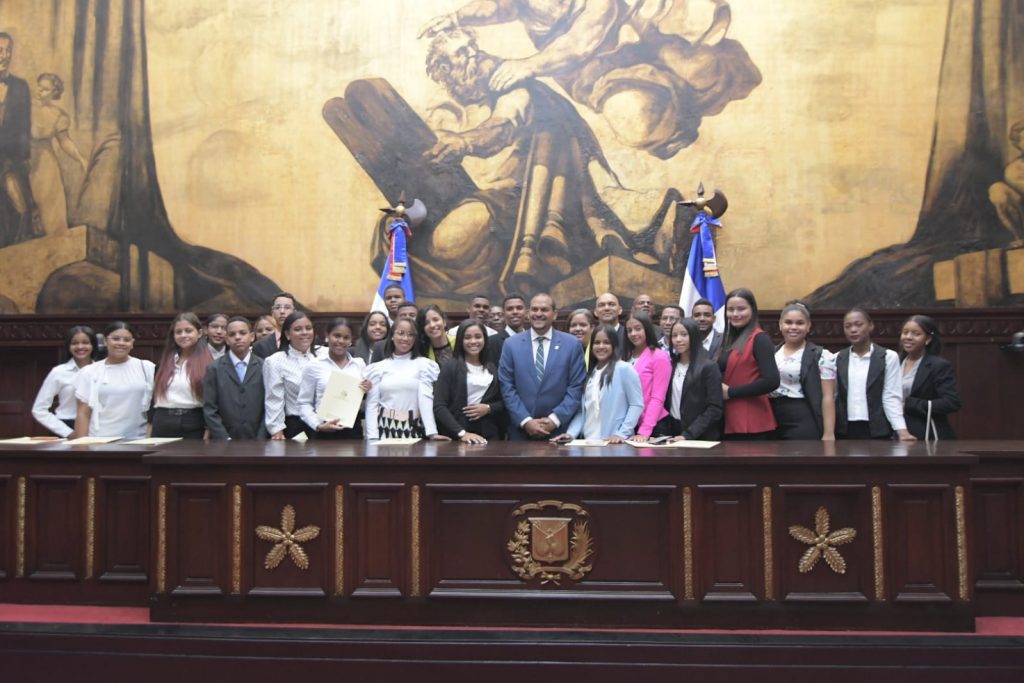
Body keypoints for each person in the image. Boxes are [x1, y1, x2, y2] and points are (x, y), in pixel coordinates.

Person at [499, 293, 586, 440]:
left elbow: (576, 386)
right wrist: (525, 421)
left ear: (555, 314)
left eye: (544, 310)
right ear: (528, 313)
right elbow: (506, 386)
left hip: (559, 433)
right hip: (521, 433)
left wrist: (554, 420)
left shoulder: (572, 344)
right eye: (534, 309)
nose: (538, 314)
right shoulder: (510, 344)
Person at [553, 325, 644, 444]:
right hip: (588, 443)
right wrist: (571, 434)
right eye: (596, 342)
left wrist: (621, 433)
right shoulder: (590, 374)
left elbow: (636, 405)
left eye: (606, 342)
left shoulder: (624, 369)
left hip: (614, 444)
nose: (601, 346)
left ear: (614, 345)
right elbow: (582, 412)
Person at [835, 308, 914, 441]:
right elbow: (833, 396)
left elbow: (891, 396)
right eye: (847, 326)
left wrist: (902, 430)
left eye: (858, 324)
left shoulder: (888, 357)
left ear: (870, 325)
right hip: (844, 429)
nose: (853, 330)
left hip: (877, 429)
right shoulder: (837, 358)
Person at [363, 318, 448, 441]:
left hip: (413, 426)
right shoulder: (378, 368)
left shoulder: (424, 365)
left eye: (410, 335)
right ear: (392, 336)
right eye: (401, 333)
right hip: (384, 427)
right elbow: (372, 404)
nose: (405, 338)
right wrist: (372, 437)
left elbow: (425, 399)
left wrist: (432, 432)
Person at [72, 321, 154, 438]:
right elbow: (83, 413)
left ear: (132, 343)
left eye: (126, 340)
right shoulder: (90, 371)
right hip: (100, 440)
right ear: (105, 341)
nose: (121, 343)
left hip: (138, 439)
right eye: (115, 339)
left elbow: (156, 409)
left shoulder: (146, 368)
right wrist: (81, 448)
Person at [30, 73, 88, 235]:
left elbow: (64, 141)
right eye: (39, 86)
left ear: (54, 93)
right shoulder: (24, 104)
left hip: (44, 162)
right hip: (21, 157)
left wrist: (81, 159)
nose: (40, 91)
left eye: (45, 89)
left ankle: (54, 245)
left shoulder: (57, 115)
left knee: (49, 203)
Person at [718, 289, 780, 439]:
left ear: (753, 309)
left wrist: (731, 392)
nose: (735, 314)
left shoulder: (760, 339)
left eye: (741, 309)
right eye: (731, 309)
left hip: (752, 421)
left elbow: (772, 381)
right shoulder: (727, 339)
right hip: (728, 418)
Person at [769, 302, 836, 440]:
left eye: (799, 323)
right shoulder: (771, 353)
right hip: (771, 417)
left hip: (801, 416)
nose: (793, 327)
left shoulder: (821, 355)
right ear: (780, 324)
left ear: (808, 326)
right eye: (788, 322)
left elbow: (828, 397)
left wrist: (829, 433)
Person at [0, 32, 42, 247]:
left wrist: (24, 157)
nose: (5, 55)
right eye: (0, 50)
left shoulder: (20, 87)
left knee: (21, 208)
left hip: (9, 160)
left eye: (8, 51)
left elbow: (24, 125)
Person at [434, 319, 506, 443]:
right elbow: (439, 406)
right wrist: (462, 433)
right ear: (460, 340)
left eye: (478, 337)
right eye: (467, 337)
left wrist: (489, 408)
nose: (473, 341)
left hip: (489, 435)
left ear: (485, 339)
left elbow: (503, 401)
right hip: (457, 435)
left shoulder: (492, 366)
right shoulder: (451, 366)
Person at [297, 317, 366, 440]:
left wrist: (368, 389)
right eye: (337, 336)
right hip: (323, 430)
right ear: (327, 335)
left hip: (353, 430)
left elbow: (365, 398)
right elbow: (304, 403)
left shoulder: (359, 364)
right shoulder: (314, 366)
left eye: (346, 337)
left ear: (351, 340)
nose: (341, 341)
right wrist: (318, 425)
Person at [655, 319, 723, 441]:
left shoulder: (708, 366)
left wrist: (688, 435)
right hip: (672, 433)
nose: (678, 339)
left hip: (700, 436)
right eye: (674, 335)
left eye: (684, 334)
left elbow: (715, 408)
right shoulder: (670, 365)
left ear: (694, 336)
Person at [263, 310, 326, 440]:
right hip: (297, 427)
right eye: (298, 329)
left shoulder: (326, 354)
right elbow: (274, 399)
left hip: (328, 424)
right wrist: (276, 430)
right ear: (287, 334)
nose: (304, 333)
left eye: (308, 328)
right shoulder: (275, 361)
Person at [204, 316, 267, 440]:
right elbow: (210, 408)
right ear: (227, 339)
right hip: (225, 440)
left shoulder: (264, 366)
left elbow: (270, 405)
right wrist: (223, 437)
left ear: (252, 336)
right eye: (232, 334)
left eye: (243, 333)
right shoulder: (214, 368)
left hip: (258, 439)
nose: (238, 337)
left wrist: (262, 436)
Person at [899, 315, 961, 440]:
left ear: (927, 339)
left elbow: (951, 402)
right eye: (905, 333)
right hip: (895, 434)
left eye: (916, 334)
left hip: (926, 434)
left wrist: (909, 405)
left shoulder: (938, 366)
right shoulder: (893, 362)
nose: (908, 337)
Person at [151, 313, 213, 439]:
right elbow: (153, 401)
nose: (183, 335)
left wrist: (208, 433)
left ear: (199, 333)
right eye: (178, 332)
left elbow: (213, 404)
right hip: (162, 421)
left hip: (193, 422)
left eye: (188, 331)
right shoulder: (164, 363)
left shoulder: (209, 365)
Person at [32, 325, 98, 437]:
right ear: (68, 346)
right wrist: (67, 432)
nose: (80, 346)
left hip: (98, 429)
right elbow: (39, 409)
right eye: (75, 343)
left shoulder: (101, 371)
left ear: (93, 345)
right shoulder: (59, 372)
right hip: (67, 427)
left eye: (85, 342)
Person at [621, 311, 671, 441]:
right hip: (629, 424)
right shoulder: (625, 356)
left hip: (652, 426)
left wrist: (645, 430)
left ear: (647, 329)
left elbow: (657, 398)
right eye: (629, 330)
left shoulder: (659, 356)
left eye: (638, 329)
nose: (633, 334)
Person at [252, 292, 296, 359]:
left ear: (294, 312)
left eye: (287, 307)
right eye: (277, 307)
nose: (282, 311)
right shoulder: (260, 345)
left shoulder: (307, 338)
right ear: (272, 313)